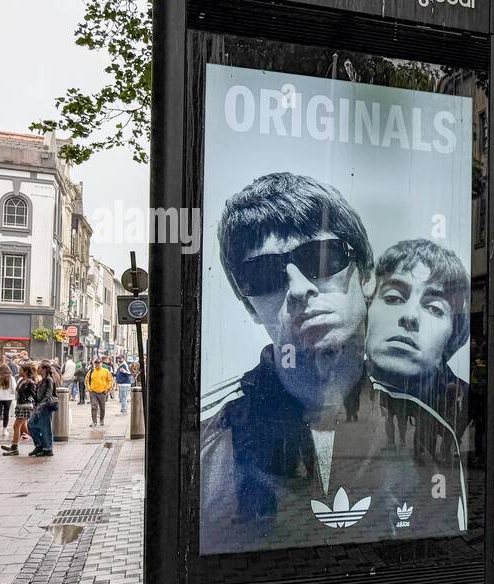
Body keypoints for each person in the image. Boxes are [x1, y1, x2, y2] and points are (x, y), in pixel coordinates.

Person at [200, 172, 466, 554]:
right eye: (263, 274)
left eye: (321, 258)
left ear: (367, 276)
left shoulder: (428, 431)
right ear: (248, 305)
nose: (299, 289)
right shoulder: (211, 437)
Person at [363, 237, 471, 441]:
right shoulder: (330, 392)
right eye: (393, 298)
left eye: (434, 308)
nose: (410, 316)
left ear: (453, 336)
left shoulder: (463, 394)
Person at [3, 364, 38, 455]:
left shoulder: (30, 382)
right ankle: (40, 441)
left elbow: (35, 395)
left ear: (26, 371)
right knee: (24, 428)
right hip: (21, 405)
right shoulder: (22, 380)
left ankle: (14, 447)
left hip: (25, 406)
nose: (19, 372)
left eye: (21, 370)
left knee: (16, 426)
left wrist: (36, 406)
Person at [27, 360, 60, 457]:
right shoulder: (41, 380)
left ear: (44, 369)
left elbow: (48, 395)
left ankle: (47, 449)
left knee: (45, 428)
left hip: (45, 407)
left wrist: (41, 405)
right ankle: (39, 445)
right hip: (39, 407)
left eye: (40, 368)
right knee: (31, 424)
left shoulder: (49, 380)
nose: (38, 370)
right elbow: (37, 395)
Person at [86, 358, 115, 427]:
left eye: (98, 363)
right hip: (93, 392)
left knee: (102, 408)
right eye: (96, 363)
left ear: (101, 364)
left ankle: (101, 420)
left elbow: (110, 380)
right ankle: (94, 422)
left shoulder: (106, 371)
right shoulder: (91, 371)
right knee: (94, 406)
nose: (97, 364)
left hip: (102, 392)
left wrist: (107, 388)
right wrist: (89, 388)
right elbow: (87, 380)